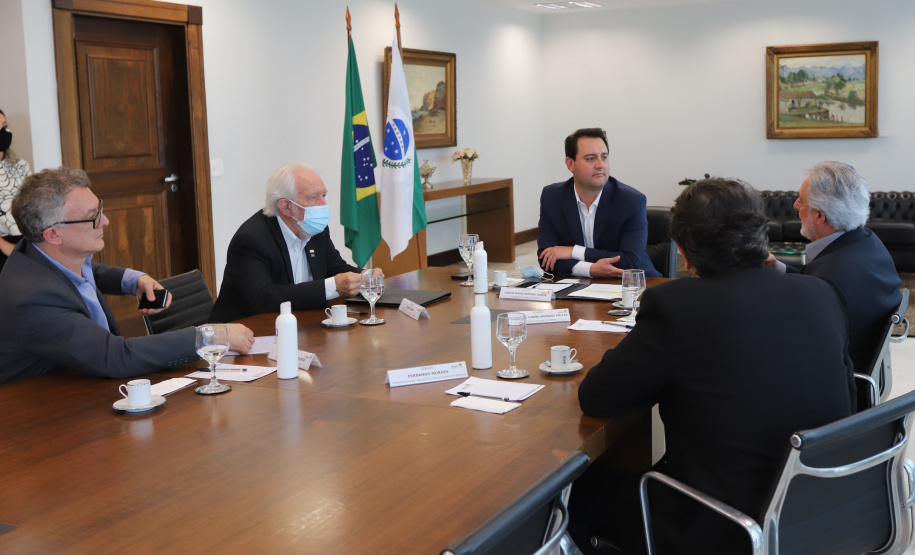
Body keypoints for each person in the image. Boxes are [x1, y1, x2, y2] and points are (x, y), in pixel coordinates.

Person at [569, 178, 854, 554]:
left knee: (579, 491)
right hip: (824, 508)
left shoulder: (676, 306)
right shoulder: (821, 292)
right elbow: (848, 394)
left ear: (686, 252)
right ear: (760, 235)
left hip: (725, 523)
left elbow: (597, 396)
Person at [0, 167, 253, 386]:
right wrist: (209, 337)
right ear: (53, 234)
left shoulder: (39, 253)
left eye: (100, 209)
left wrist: (133, 280)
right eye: (93, 217)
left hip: (81, 384)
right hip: (39, 413)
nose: (106, 221)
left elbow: (86, 273)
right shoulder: (33, 297)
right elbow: (114, 357)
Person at [772, 161, 902, 376]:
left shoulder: (829, 280)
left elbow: (799, 339)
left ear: (820, 216)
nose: (795, 205)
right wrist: (776, 267)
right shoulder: (867, 242)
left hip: (841, 384)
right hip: (863, 367)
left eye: (801, 200)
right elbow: (821, 281)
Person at [211, 163, 380, 322]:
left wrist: (366, 277)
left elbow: (335, 268)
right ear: (286, 207)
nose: (323, 205)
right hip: (245, 335)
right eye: (313, 197)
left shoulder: (315, 230)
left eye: (324, 195)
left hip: (301, 327)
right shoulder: (252, 239)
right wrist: (334, 286)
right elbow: (262, 298)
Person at [537, 128, 659, 278]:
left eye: (604, 157)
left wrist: (573, 251)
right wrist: (590, 270)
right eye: (590, 158)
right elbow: (547, 258)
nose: (600, 165)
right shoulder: (552, 197)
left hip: (632, 286)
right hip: (576, 287)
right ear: (570, 164)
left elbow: (630, 262)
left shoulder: (631, 201)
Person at [0, 109, 32, 273]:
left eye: (4, 127)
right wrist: (5, 247)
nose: (3, 133)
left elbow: (34, 203)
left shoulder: (20, 165)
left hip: (27, 241)